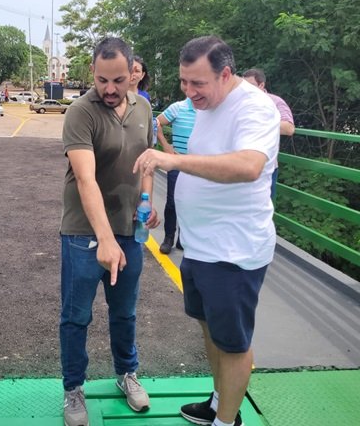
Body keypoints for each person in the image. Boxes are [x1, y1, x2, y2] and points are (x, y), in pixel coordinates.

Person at [133, 36, 280, 426]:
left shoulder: (254, 107)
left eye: (197, 83)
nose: (189, 91)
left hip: (233, 250)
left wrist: (174, 160)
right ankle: (219, 402)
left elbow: (248, 166)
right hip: (199, 246)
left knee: (232, 342)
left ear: (225, 74)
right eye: (184, 81)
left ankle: (226, 421)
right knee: (210, 329)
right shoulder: (208, 104)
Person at [60, 37, 158, 426]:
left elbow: (147, 161)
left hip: (129, 230)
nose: (110, 89)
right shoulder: (80, 112)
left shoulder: (143, 107)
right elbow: (85, 180)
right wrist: (103, 239)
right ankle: (73, 389)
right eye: (102, 80)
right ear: (92, 72)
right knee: (76, 316)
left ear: (133, 72)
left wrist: (147, 203)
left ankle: (126, 374)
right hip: (83, 233)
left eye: (118, 80)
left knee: (125, 312)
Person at [242, 68, 295, 198]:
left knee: (264, 205)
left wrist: (257, 124)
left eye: (250, 85)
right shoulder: (239, 103)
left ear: (261, 85)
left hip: (266, 167)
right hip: (240, 164)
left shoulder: (275, 101)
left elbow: (288, 128)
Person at [156, 96, 197, 254]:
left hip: (197, 165)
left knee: (192, 202)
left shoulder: (208, 109)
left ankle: (183, 238)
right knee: (172, 201)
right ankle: (168, 237)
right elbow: (156, 122)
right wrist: (166, 145)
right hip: (177, 161)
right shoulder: (178, 107)